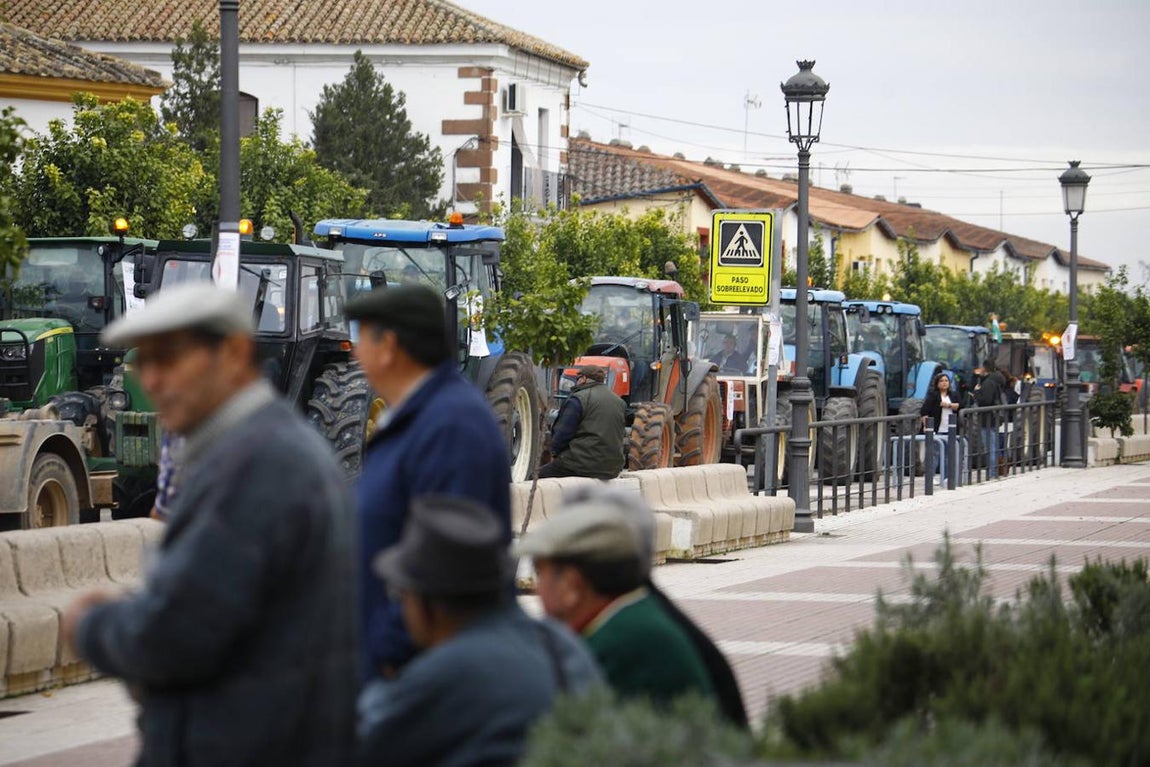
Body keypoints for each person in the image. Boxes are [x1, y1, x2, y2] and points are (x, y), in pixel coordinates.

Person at [62, 282, 357, 766]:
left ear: (235, 353)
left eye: (170, 360)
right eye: (145, 362)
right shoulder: (255, 451)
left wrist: (92, 624)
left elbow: (176, 636)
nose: (152, 381)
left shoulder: (258, 466)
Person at [357, 495, 601, 767]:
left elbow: (358, 740)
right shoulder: (559, 643)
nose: (401, 608)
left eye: (402, 594)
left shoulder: (444, 671)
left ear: (429, 605)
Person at [346, 284, 512, 679]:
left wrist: (388, 654)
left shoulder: (451, 427)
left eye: (360, 339)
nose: (355, 352)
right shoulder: (417, 418)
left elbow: (449, 570)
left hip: (419, 675)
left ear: (388, 346)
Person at [517, 487, 746, 724]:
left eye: (539, 573)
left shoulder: (619, 643)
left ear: (571, 586)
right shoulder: (631, 616)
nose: (536, 588)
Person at [539, 365, 626, 480]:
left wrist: (554, 453)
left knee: (537, 476)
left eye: (577, 378)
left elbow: (562, 435)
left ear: (583, 379)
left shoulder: (578, 399)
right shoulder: (619, 401)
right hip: (612, 468)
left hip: (582, 465)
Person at [920, 373, 961, 481]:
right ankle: (931, 477)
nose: (944, 383)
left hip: (950, 428)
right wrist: (925, 425)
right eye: (941, 381)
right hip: (937, 429)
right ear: (937, 383)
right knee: (934, 454)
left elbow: (960, 406)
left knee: (949, 454)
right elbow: (924, 411)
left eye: (946, 381)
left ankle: (947, 477)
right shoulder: (933, 396)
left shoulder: (954, 395)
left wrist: (948, 405)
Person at [973, 357, 1007, 479]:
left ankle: (992, 473)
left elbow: (985, 401)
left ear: (985, 368)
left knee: (990, 446)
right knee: (994, 445)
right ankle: (994, 472)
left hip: (987, 418)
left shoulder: (988, 382)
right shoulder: (997, 380)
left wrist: (976, 393)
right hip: (994, 417)